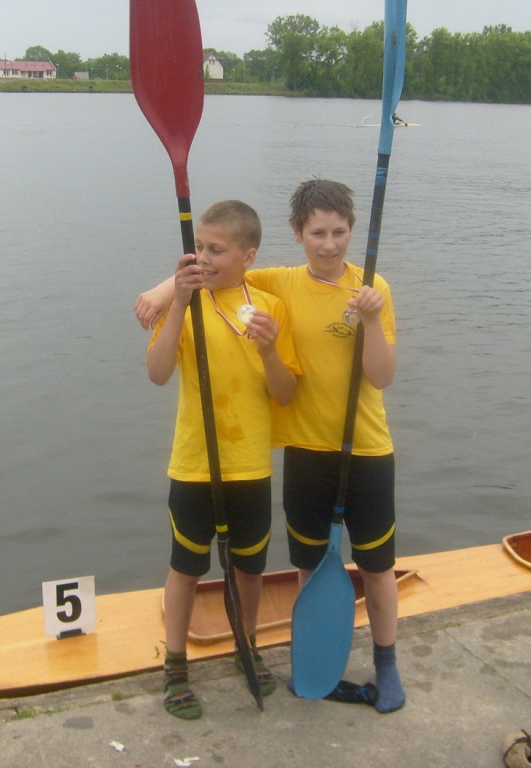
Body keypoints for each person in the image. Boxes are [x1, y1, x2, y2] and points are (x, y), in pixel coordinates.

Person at [136, 180, 405, 713]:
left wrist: (278, 347)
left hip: (314, 456)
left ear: (351, 232)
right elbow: (164, 360)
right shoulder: (248, 290)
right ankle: (188, 665)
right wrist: (171, 290)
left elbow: (326, 384)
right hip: (239, 458)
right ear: (298, 236)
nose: (328, 244)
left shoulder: (326, 295)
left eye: (339, 232)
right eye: (316, 234)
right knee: (205, 566)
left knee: (335, 566)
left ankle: (361, 659)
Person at [147, 200, 300, 720]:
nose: (204, 258)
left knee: (249, 568)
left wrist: (271, 351)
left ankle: (246, 645)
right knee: (186, 566)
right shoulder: (185, 304)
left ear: (248, 255)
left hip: (250, 467)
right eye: (199, 248)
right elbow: (158, 372)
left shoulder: (269, 309)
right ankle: (174, 665)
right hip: (193, 463)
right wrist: (177, 304)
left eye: (217, 249)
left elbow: (284, 394)